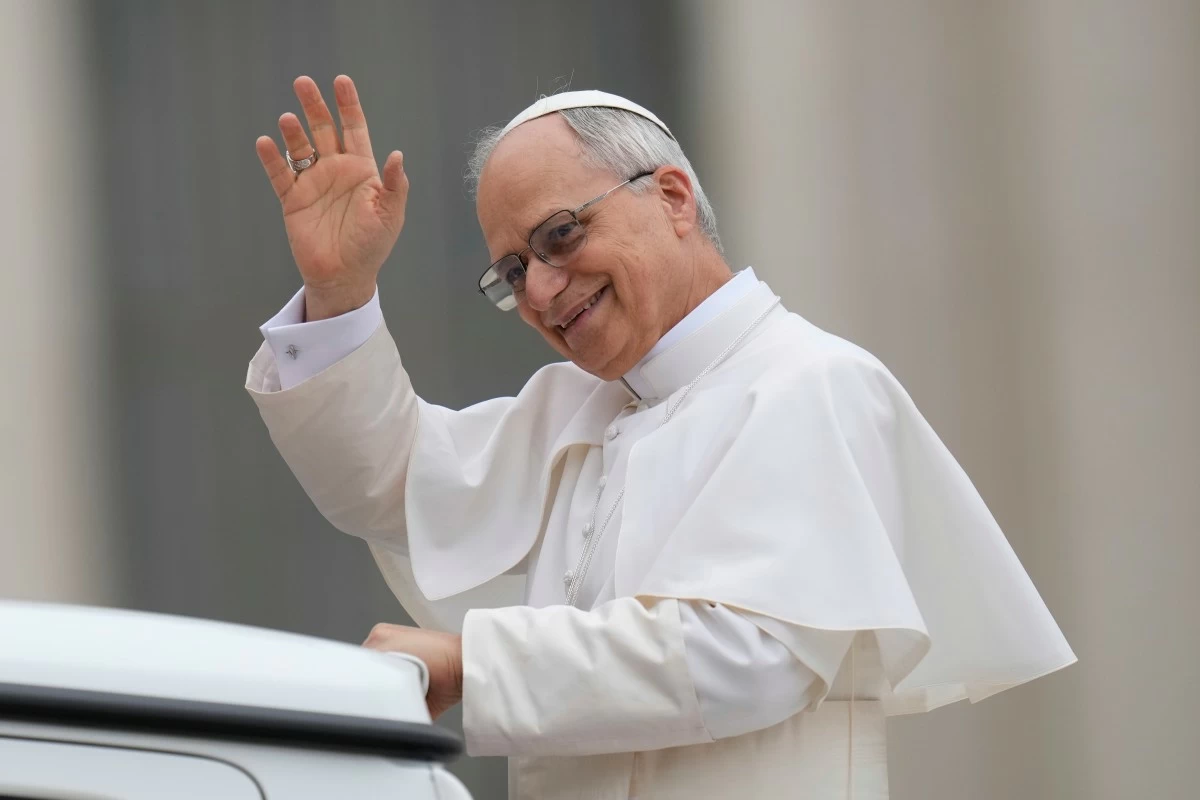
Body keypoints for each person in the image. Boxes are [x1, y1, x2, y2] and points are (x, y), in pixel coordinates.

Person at [246, 75, 1075, 799]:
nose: (538, 289)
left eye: (559, 235)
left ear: (673, 198)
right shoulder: (577, 408)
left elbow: (750, 656)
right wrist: (341, 291)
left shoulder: (809, 382)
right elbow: (389, 486)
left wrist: (474, 663)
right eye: (510, 272)